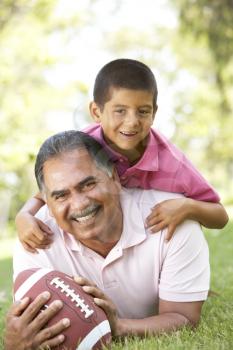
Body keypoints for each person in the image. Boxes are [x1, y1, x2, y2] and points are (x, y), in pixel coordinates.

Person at [6, 130, 210, 349]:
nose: (79, 205)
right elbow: (35, 326)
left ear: (113, 177)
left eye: (88, 184)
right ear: (46, 201)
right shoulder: (34, 240)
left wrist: (118, 327)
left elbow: (184, 318)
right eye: (61, 195)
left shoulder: (172, 220)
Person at [15, 58, 228, 253]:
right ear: (96, 112)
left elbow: (220, 216)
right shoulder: (81, 149)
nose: (132, 121)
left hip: (147, 238)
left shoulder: (172, 163)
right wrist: (23, 216)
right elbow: (47, 193)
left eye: (143, 111)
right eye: (120, 111)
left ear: (154, 113)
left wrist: (187, 206)